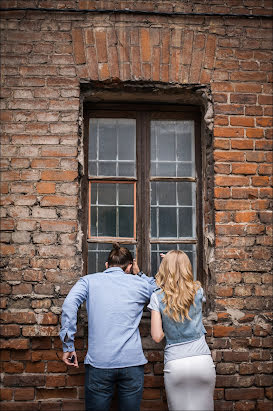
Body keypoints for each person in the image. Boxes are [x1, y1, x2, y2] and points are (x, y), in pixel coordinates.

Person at [59, 243, 156, 411]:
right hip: (131, 363)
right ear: (129, 267)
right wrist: (139, 274)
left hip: (99, 363)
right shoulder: (140, 284)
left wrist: (68, 345)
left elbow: (69, 305)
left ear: (106, 266)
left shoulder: (88, 281)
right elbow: (162, 293)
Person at [148, 250, 216, 411]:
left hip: (176, 363)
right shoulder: (198, 291)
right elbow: (184, 285)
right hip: (202, 362)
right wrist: (176, 261)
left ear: (164, 269)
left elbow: (157, 336)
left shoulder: (157, 297)